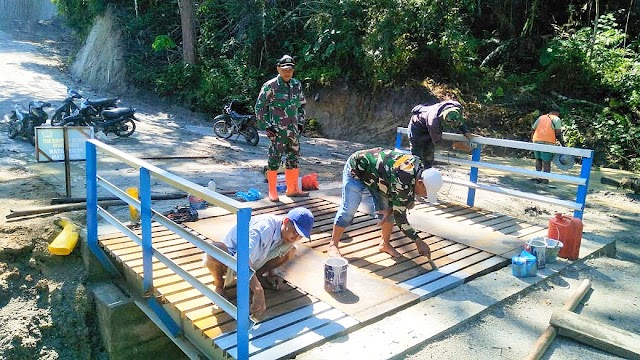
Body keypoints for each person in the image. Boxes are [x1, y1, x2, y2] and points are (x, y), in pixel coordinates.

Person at [327, 148, 443, 264]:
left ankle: (385, 244)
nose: (425, 195)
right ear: (420, 183)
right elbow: (400, 218)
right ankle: (333, 244)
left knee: (389, 213)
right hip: (356, 170)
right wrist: (418, 241)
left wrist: (392, 208)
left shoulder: (419, 171)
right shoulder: (403, 178)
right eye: (426, 192)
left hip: (379, 178)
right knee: (349, 210)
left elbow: (401, 198)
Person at [203, 207, 314, 318]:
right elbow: (242, 257)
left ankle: (257, 276)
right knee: (215, 250)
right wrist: (258, 290)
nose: (296, 237)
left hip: (254, 259)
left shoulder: (286, 233)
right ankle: (219, 285)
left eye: (301, 235)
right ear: (285, 221)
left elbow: (272, 248)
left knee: (291, 250)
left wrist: (271, 273)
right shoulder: (263, 229)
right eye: (295, 232)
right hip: (232, 260)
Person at [255, 54, 308, 202]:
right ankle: (272, 191)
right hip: (277, 130)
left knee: (294, 158)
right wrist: (267, 126)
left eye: (290, 69)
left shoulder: (297, 85)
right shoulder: (270, 86)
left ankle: (292, 189)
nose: (287, 72)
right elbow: (259, 108)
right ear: (278, 68)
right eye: (284, 69)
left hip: (294, 130)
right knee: (274, 160)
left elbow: (302, 105)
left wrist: (301, 122)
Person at [408, 100, 476, 168]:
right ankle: (415, 174)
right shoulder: (434, 122)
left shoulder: (456, 106)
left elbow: (457, 120)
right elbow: (438, 141)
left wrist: (467, 132)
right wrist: (455, 145)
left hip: (429, 124)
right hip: (417, 129)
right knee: (417, 158)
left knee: (429, 157)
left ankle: (427, 171)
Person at [531, 107, 565, 184]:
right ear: (556, 113)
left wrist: (533, 139)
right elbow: (558, 133)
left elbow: (533, 129)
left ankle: (538, 177)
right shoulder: (556, 119)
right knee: (546, 161)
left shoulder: (541, 117)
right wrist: (563, 144)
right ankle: (545, 179)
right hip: (547, 142)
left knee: (538, 159)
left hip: (536, 141)